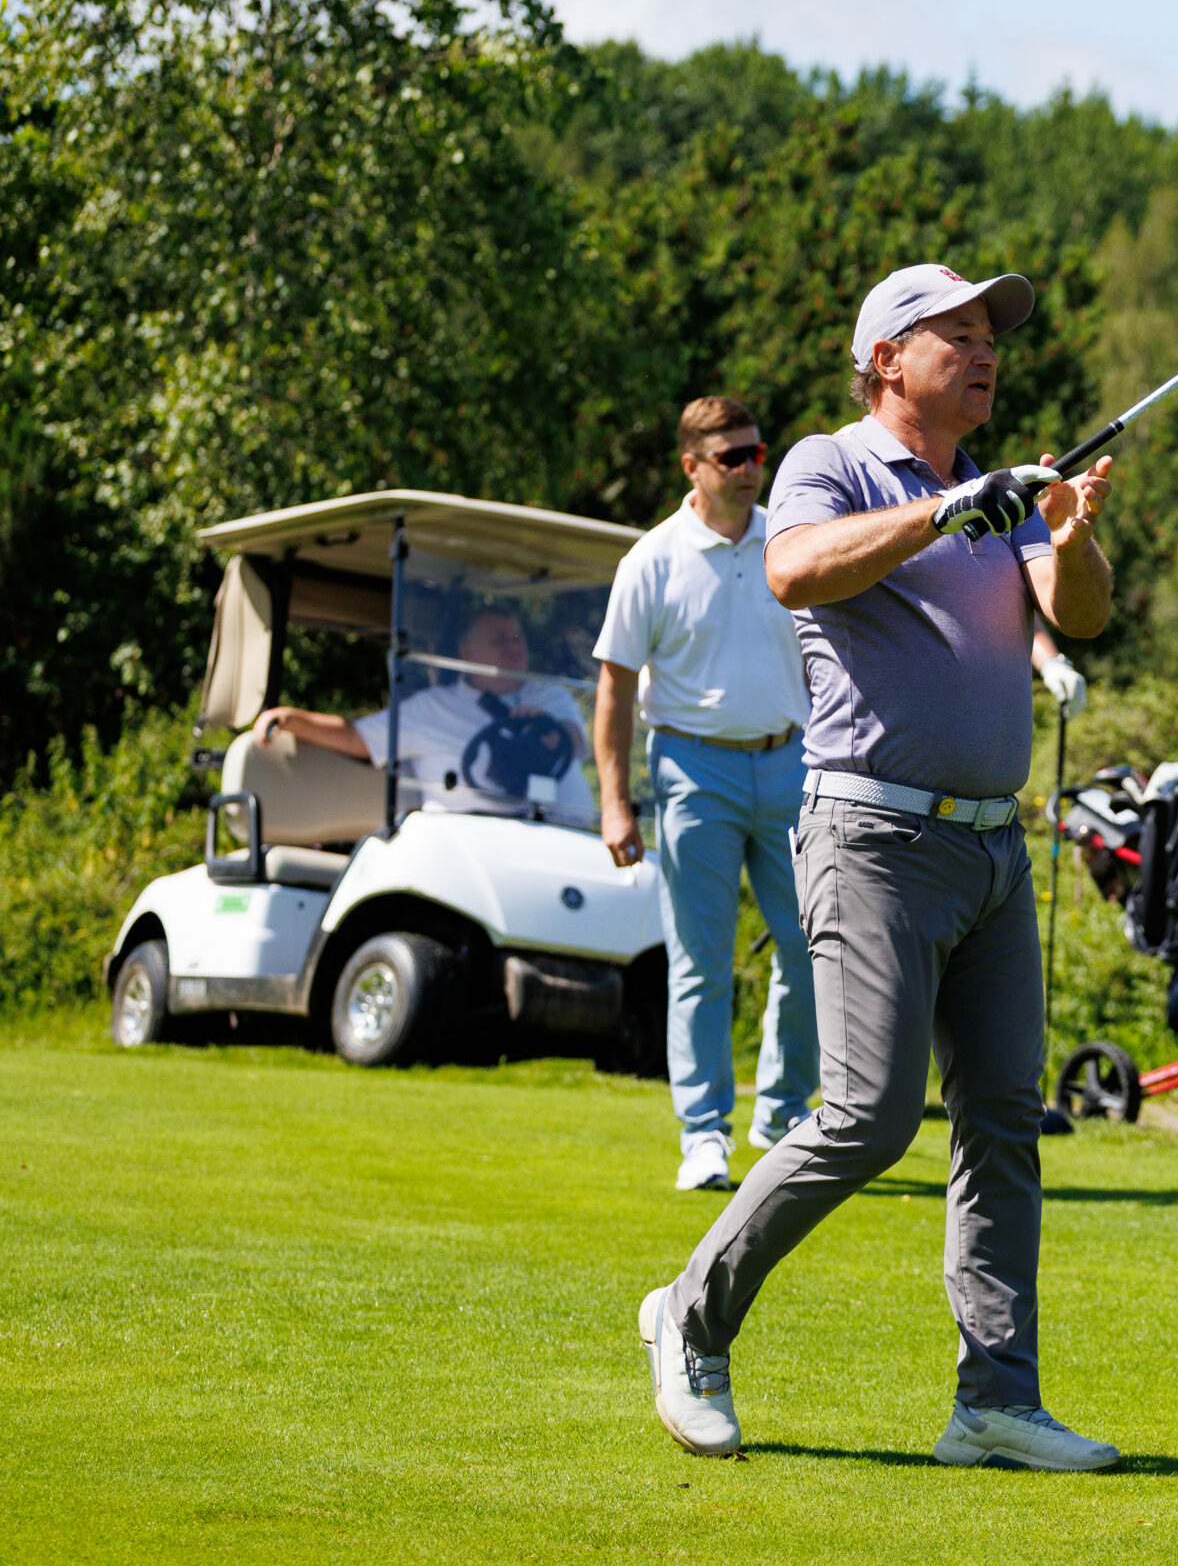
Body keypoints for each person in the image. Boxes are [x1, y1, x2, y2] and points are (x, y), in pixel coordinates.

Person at [637, 262, 1119, 1470]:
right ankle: (689, 1313)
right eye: (956, 332)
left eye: (990, 334)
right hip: (872, 837)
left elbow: (1080, 614)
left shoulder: (995, 491)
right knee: (865, 1116)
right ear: (887, 359)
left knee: (1002, 1121)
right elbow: (796, 570)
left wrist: (1067, 536)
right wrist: (955, 512)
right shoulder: (828, 463)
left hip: (991, 845)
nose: (984, 351)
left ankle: (995, 1402)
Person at [594, 396, 820, 1193]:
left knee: (814, 946)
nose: (752, 468)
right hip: (693, 772)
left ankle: (784, 1113)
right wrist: (615, 802)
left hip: (792, 764)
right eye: (733, 457)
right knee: (701, 964)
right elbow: (615, 688)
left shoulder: (789, 541)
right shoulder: (651, 559)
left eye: (757, 453)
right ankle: (703, 1134)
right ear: (691, 466)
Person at [253, 608, 593, 820]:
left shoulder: (548, 696)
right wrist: (291, 718)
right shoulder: (431, 707)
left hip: (555, 836)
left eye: (517, 638)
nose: (514, 647)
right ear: (467, 652)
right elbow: (357, 738)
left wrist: (548, 733)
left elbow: (575, 739)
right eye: (499, 640)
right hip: (469, 841)